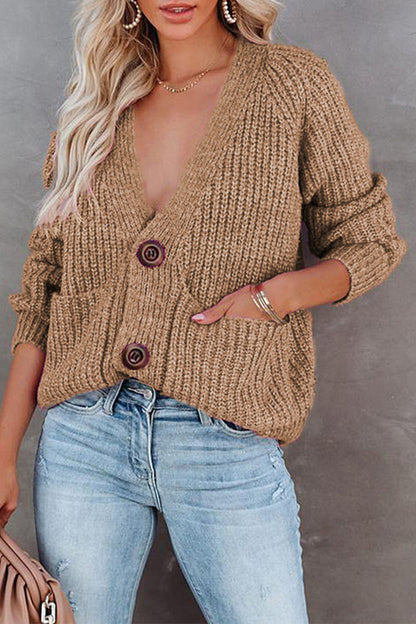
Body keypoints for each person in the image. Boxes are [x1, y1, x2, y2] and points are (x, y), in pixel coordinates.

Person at [0, 0, 407, 623]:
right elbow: (42, 294)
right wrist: (4, 453)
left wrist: (272, 298)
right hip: (85, 438)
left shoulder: (292, 85)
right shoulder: (95, 105)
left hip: (222, 437)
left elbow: (368, 242)